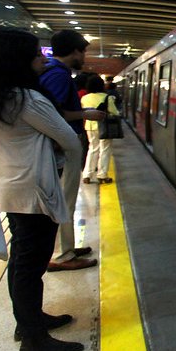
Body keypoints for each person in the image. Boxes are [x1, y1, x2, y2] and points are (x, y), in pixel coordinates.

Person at [0, 27, 85, 351]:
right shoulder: (27, 98)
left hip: (8, 189)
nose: (42, 60)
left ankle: (29, 322)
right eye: (37, 54)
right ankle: (34, 342)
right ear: (20, 59)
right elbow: (70, 139)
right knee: (30, 266)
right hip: (35, 191)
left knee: (22, 261)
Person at [39, 30, 104, 272]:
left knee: (65, 199)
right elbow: (50, 113)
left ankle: (67, 246)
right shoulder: (58, 75)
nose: (84, 56)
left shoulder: (55, 73)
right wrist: (85, 114)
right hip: (63, 145)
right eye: (83, 51)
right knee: (65, 201)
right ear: (74, 51)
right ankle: (65, 255)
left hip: (61, 145)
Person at [80, 76, 119, 184]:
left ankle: (87, 175)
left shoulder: (85, 98)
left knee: (92, 149)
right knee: (105, 150)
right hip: (104, 127)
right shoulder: (107, 97)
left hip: (90, 127)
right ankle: (102, 175)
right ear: (102, 85)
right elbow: (115, 112)